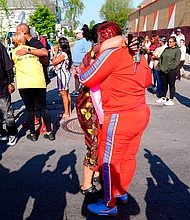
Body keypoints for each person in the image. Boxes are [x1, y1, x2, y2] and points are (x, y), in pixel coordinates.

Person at [79, 21, 152, 216]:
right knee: (128, 156)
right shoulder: (137, 53)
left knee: (109, 161)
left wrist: (100, 53)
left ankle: (109, 203)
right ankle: (120, 192)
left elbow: (86, 77)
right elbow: (147, 81)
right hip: (141, 112)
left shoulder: (112, 53)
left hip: (120, 115)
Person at [11, 32, 54, 141]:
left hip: (24, 84)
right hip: (39, 82)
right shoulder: (33, 49)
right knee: (43, 107)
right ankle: (49, 132)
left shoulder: (14, 52)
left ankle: (33, 134)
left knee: (30, 109)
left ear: (15, 41)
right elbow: (44, 55)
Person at [0, 42, 18, 146]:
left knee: (7, 112)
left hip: (2, 86)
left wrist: (10, 82)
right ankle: (1, 132)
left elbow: (7, 66)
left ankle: (12, 133)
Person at [156, 36, 181, 106]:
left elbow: (176, 62)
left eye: (171, 42)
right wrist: (161, 65)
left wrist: (169, 68)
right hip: (163, 69)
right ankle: (163, 97)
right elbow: (161, 57)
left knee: (171, 85)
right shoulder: (166, 49)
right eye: (168, 42)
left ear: (174, 43)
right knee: (164, 84)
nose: (169, 43)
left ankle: (171, 99)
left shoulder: (177, 50)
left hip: (171, 71)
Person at [52, 37, 72, 122]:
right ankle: (68, 110)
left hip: (62, 76)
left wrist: (55, 53)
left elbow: (54, 62)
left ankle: (66, 112)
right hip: (65, 74)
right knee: (66, 93)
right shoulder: (66, 53)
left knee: (63, 94)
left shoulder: (62, 54)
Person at [72, 24, 92, 95]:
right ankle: (77, 90)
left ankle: (85, 91)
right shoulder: (78, 41)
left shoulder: (86, 41)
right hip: (76, 64)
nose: (76, 35)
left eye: (77, 33)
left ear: (82, 33)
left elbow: (88, 52)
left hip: (81, 64)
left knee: (83, 77)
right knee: (76, 77)